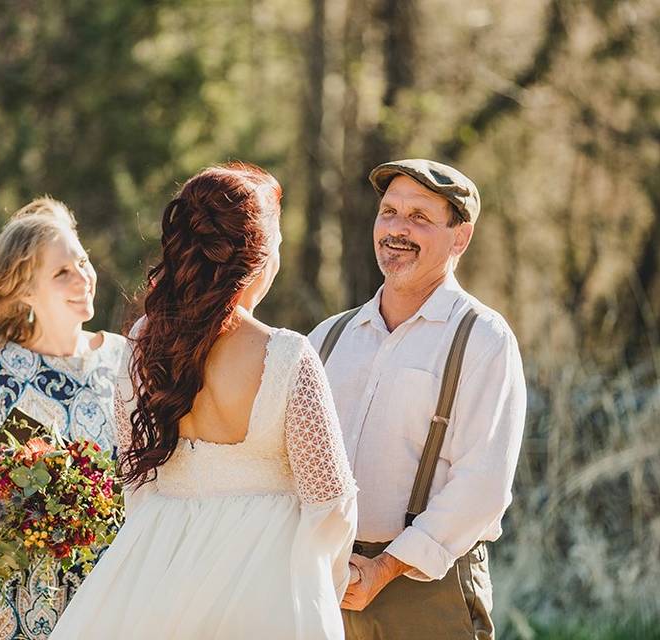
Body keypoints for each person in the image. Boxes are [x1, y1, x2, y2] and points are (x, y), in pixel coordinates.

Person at [50, 163, 357, 639]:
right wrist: (320, 589)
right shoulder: (286, 356)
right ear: (260, 257)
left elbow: (137, 479)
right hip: (265, 585)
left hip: (157, 570)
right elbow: (331, 501)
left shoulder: (142, 344)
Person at [309, 159, 527, 639]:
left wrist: (385, 567)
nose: (397, 230)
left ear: (460, 238)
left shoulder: (483, 338)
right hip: (325, 580)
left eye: (419, 218)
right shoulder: (328, 337)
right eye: (389, 212)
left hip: (428, 586)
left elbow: (484, 486)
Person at [0, 197, 126, 640]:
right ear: (25, 290)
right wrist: (59, 514)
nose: (83, 278)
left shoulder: (124, 359)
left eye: (83, 262)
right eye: (61, 273)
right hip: (20, 601)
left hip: (114, 596)